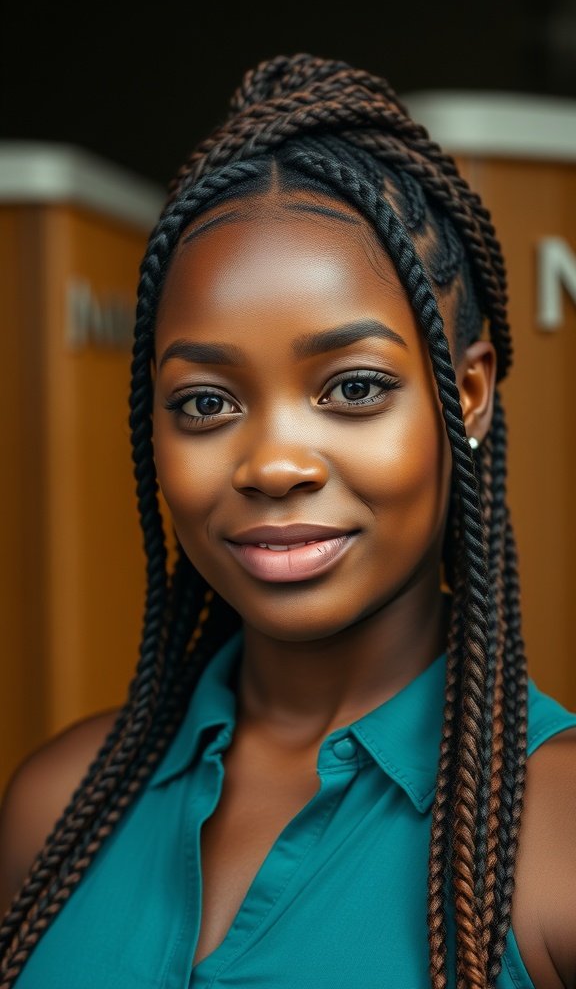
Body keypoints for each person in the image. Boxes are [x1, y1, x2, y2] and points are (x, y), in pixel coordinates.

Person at [0, 54, 575, 989]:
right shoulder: (55, 805)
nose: (272, 465)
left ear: (466, 393)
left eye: (354, 388)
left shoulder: (558, 837)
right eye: (206, 402)